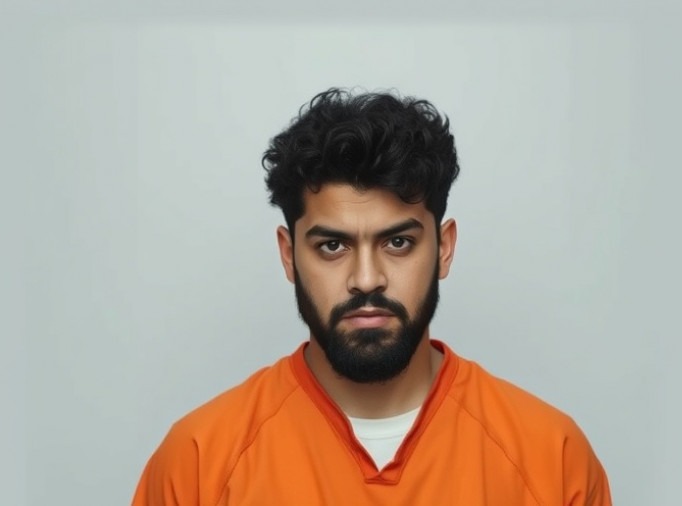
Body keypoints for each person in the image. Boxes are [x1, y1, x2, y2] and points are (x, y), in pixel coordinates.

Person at [132, 88, 612, 505]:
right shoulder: (197, 463)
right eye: (333, 246)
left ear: (443, 249)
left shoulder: (552, 458)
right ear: (288, 254)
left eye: (398, 242)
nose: (366, 279)